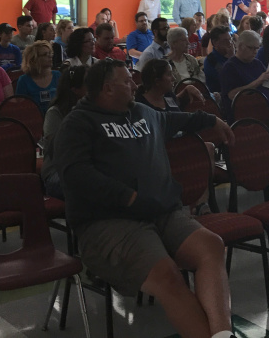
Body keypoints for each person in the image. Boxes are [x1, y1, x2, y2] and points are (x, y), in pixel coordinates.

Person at [53, 59, 237, 338]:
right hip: (108, 223)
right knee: (167, 276)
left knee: (211, 246)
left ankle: (222, 335)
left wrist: (212, 120)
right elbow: (76, 176)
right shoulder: (78, 124)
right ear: (107, 89)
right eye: (126, 81)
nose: (134, 84)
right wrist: (129, 197)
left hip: (160, 212)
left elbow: (177, 120)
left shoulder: (141, 112)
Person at [41, 65, 87, 199]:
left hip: (86, 168)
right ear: (75, 90)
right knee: (93, 186)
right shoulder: (55, 113)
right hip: (58, 171)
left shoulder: (98, 110)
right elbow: (59, 150)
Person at [218, 30, 269, 118]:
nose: (255, 51)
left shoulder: (257, 63)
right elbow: (232, 95)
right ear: (241, 46)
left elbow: (267, 87)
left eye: (257, 48)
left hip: (267, 113)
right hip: (247, 117)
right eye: (251, 48)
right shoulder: (230, 67)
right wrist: (258, 81)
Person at [137, 59, 206, 113]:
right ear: (157, 81)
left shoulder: (167, 95)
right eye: (169, 74)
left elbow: (175, 104)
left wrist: (186, 90)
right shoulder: (142, 106)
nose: (174, 78)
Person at [15, 41, 59, 115]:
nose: (50, 56)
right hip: (33, 119)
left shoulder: (58, 76)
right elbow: (21, 108)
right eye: (45, 54)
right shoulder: (24, 80)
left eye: (50, 53)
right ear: (34, 59)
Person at [202, 26, 234, 96]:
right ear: (215, 43)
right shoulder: (211, 60)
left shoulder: (233, 56)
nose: (230, 43)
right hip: (220, 96)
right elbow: (227, 79)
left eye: (230, 39)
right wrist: (232, 58)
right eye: (225, 41)